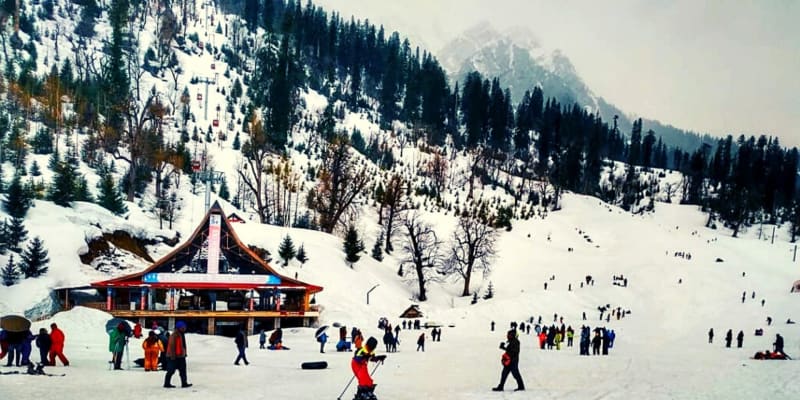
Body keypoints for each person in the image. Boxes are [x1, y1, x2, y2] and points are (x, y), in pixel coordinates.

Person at [164, 321, 191, 388]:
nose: (185, 328)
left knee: (183, 370)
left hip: (181, 356)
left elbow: (183, 345)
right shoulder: (174, 335)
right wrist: (173, 356)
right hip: (173, 356)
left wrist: (184, 353)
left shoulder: (182, 334)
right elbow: (172, 346)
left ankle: (184, 383)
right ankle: (166, 383)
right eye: (183, 327)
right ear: (179, 327)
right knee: (171, 370)